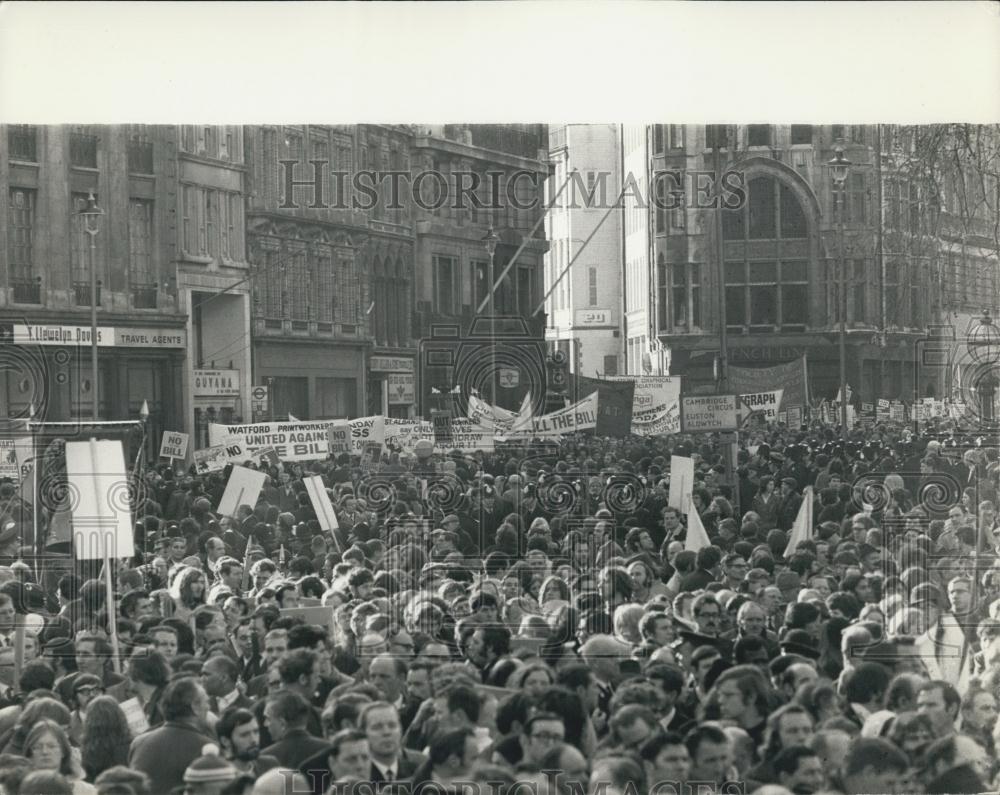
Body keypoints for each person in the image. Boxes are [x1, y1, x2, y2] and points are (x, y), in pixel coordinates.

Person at [128, 676, 215, 795]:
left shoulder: (139, 743)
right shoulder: (207, 747)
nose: (208, 707)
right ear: (194, 707)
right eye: (206, 701)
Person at [23, 719, 95, 795]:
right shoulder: (19, 789)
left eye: (51, 746)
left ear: (63, 751)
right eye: (38, 747)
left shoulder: (86, 791)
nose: (45, 751)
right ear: (30, 753)